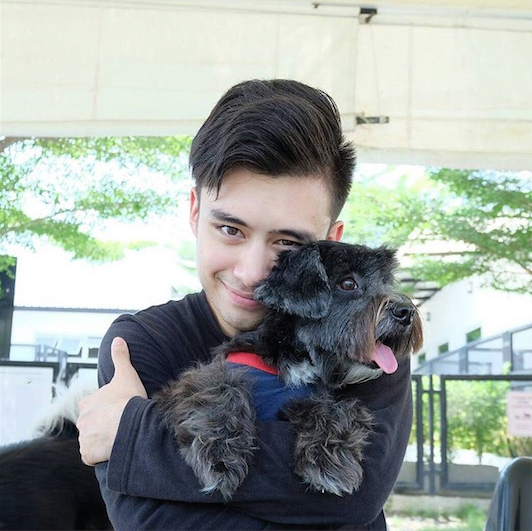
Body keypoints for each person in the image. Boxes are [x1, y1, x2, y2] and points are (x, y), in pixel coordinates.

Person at [77, 79, 413, 530]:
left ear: (331, 242)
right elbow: (150, 522)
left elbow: (357, 493)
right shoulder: (142, 342)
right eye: (230, 230)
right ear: (195, 212)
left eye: (288, 243)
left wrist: (139, 441)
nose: (252, 272)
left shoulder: (369, 343)